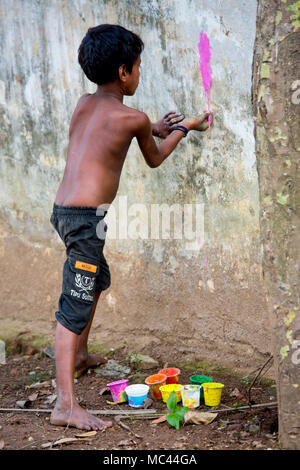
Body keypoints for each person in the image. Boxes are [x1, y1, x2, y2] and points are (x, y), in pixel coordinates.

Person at [50, 24, 212, 431]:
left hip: (65, 213)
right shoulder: (133, 117)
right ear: (123, 72)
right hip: (87, 221)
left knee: (96, 279)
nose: (140, 74)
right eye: (138, 67)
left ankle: (82, 354)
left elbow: (109, 135)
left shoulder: (84, 103)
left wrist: (153, 127)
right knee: (74, 304)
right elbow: (154, 158)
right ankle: (65, 405)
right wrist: (182, 128)